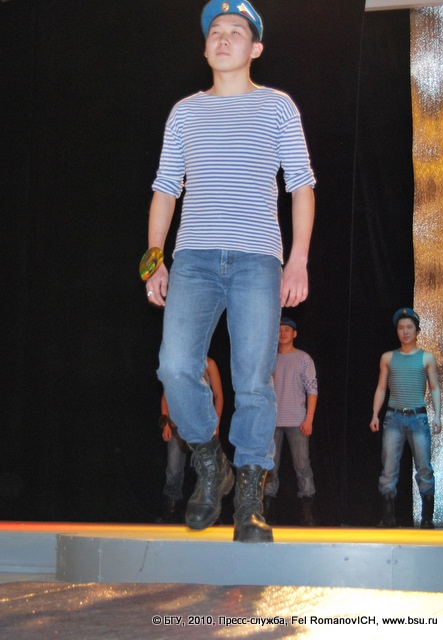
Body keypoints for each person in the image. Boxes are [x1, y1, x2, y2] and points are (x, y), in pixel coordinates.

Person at [143, 0, 315, 543]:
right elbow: (165, 189)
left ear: (255, 48)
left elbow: (301, 186)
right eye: (214, 31)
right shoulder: (185, 112)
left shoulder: (278, 106)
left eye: (235, 31)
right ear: (205, 48)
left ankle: (249, 496)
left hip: (257, 259)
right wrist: (154, 259)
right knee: (175, 367)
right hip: (193, 259)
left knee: (254, 382)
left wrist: (298, 259)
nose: (222, 37)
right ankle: (208, 457)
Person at [369, 308, 442, 528]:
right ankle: (388, 517)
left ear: (417, 331)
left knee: (424, 466)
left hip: (418, 417)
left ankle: (427, 517)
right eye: (401, 328)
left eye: (409, 327)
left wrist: (438, 415)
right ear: (397, 331)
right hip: (393, 417)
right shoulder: (388, 357)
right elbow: (381, 388)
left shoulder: (427, 358)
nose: (405, 332)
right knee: (389, 467)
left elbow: (435, 388)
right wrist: (375, 414)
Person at [155, 357, 223, 523]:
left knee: (204, 469)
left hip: (201, 427)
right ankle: (171, 506)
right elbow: (166, 396)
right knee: (174, 469)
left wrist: (216, 423)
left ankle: (206, 510)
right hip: (178, 425)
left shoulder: (209, 364)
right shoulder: (178, 361)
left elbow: (219, 396)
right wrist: (165, 424)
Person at [264, 317, 318, 526]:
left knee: (302, 465)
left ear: (294, 334)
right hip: (272, 420)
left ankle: (307, 512)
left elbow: (312, 390)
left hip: (297, 419)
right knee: (270, 467)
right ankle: (267, 511)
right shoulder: (269, 359)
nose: (283, 333)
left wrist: (309, 418)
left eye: (287, 329)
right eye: (280, 330)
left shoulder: (303, 358)